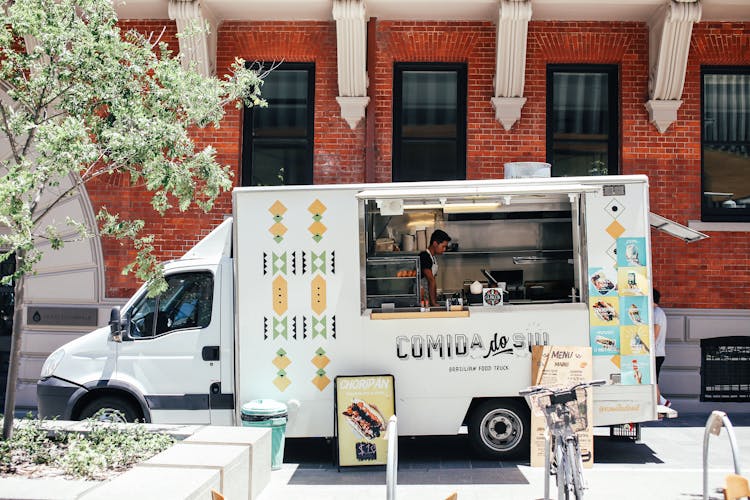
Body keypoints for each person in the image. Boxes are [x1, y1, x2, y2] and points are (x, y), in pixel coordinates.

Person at [419, 229, 451, 307]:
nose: (444, 249)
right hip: (422, 298)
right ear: (435, 243)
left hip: (427, 297)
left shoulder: (432, 258)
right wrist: (434, 303)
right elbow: (431, 280)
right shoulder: (425, 256)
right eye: (443, 246)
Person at [653, 288, 670, 407]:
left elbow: (653, 335)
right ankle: (663, 402)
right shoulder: (658, 312)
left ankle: (660, 407)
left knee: (653, 382)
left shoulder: (656, 313)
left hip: (655, 353)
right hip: (657, 353)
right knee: (653, 381)